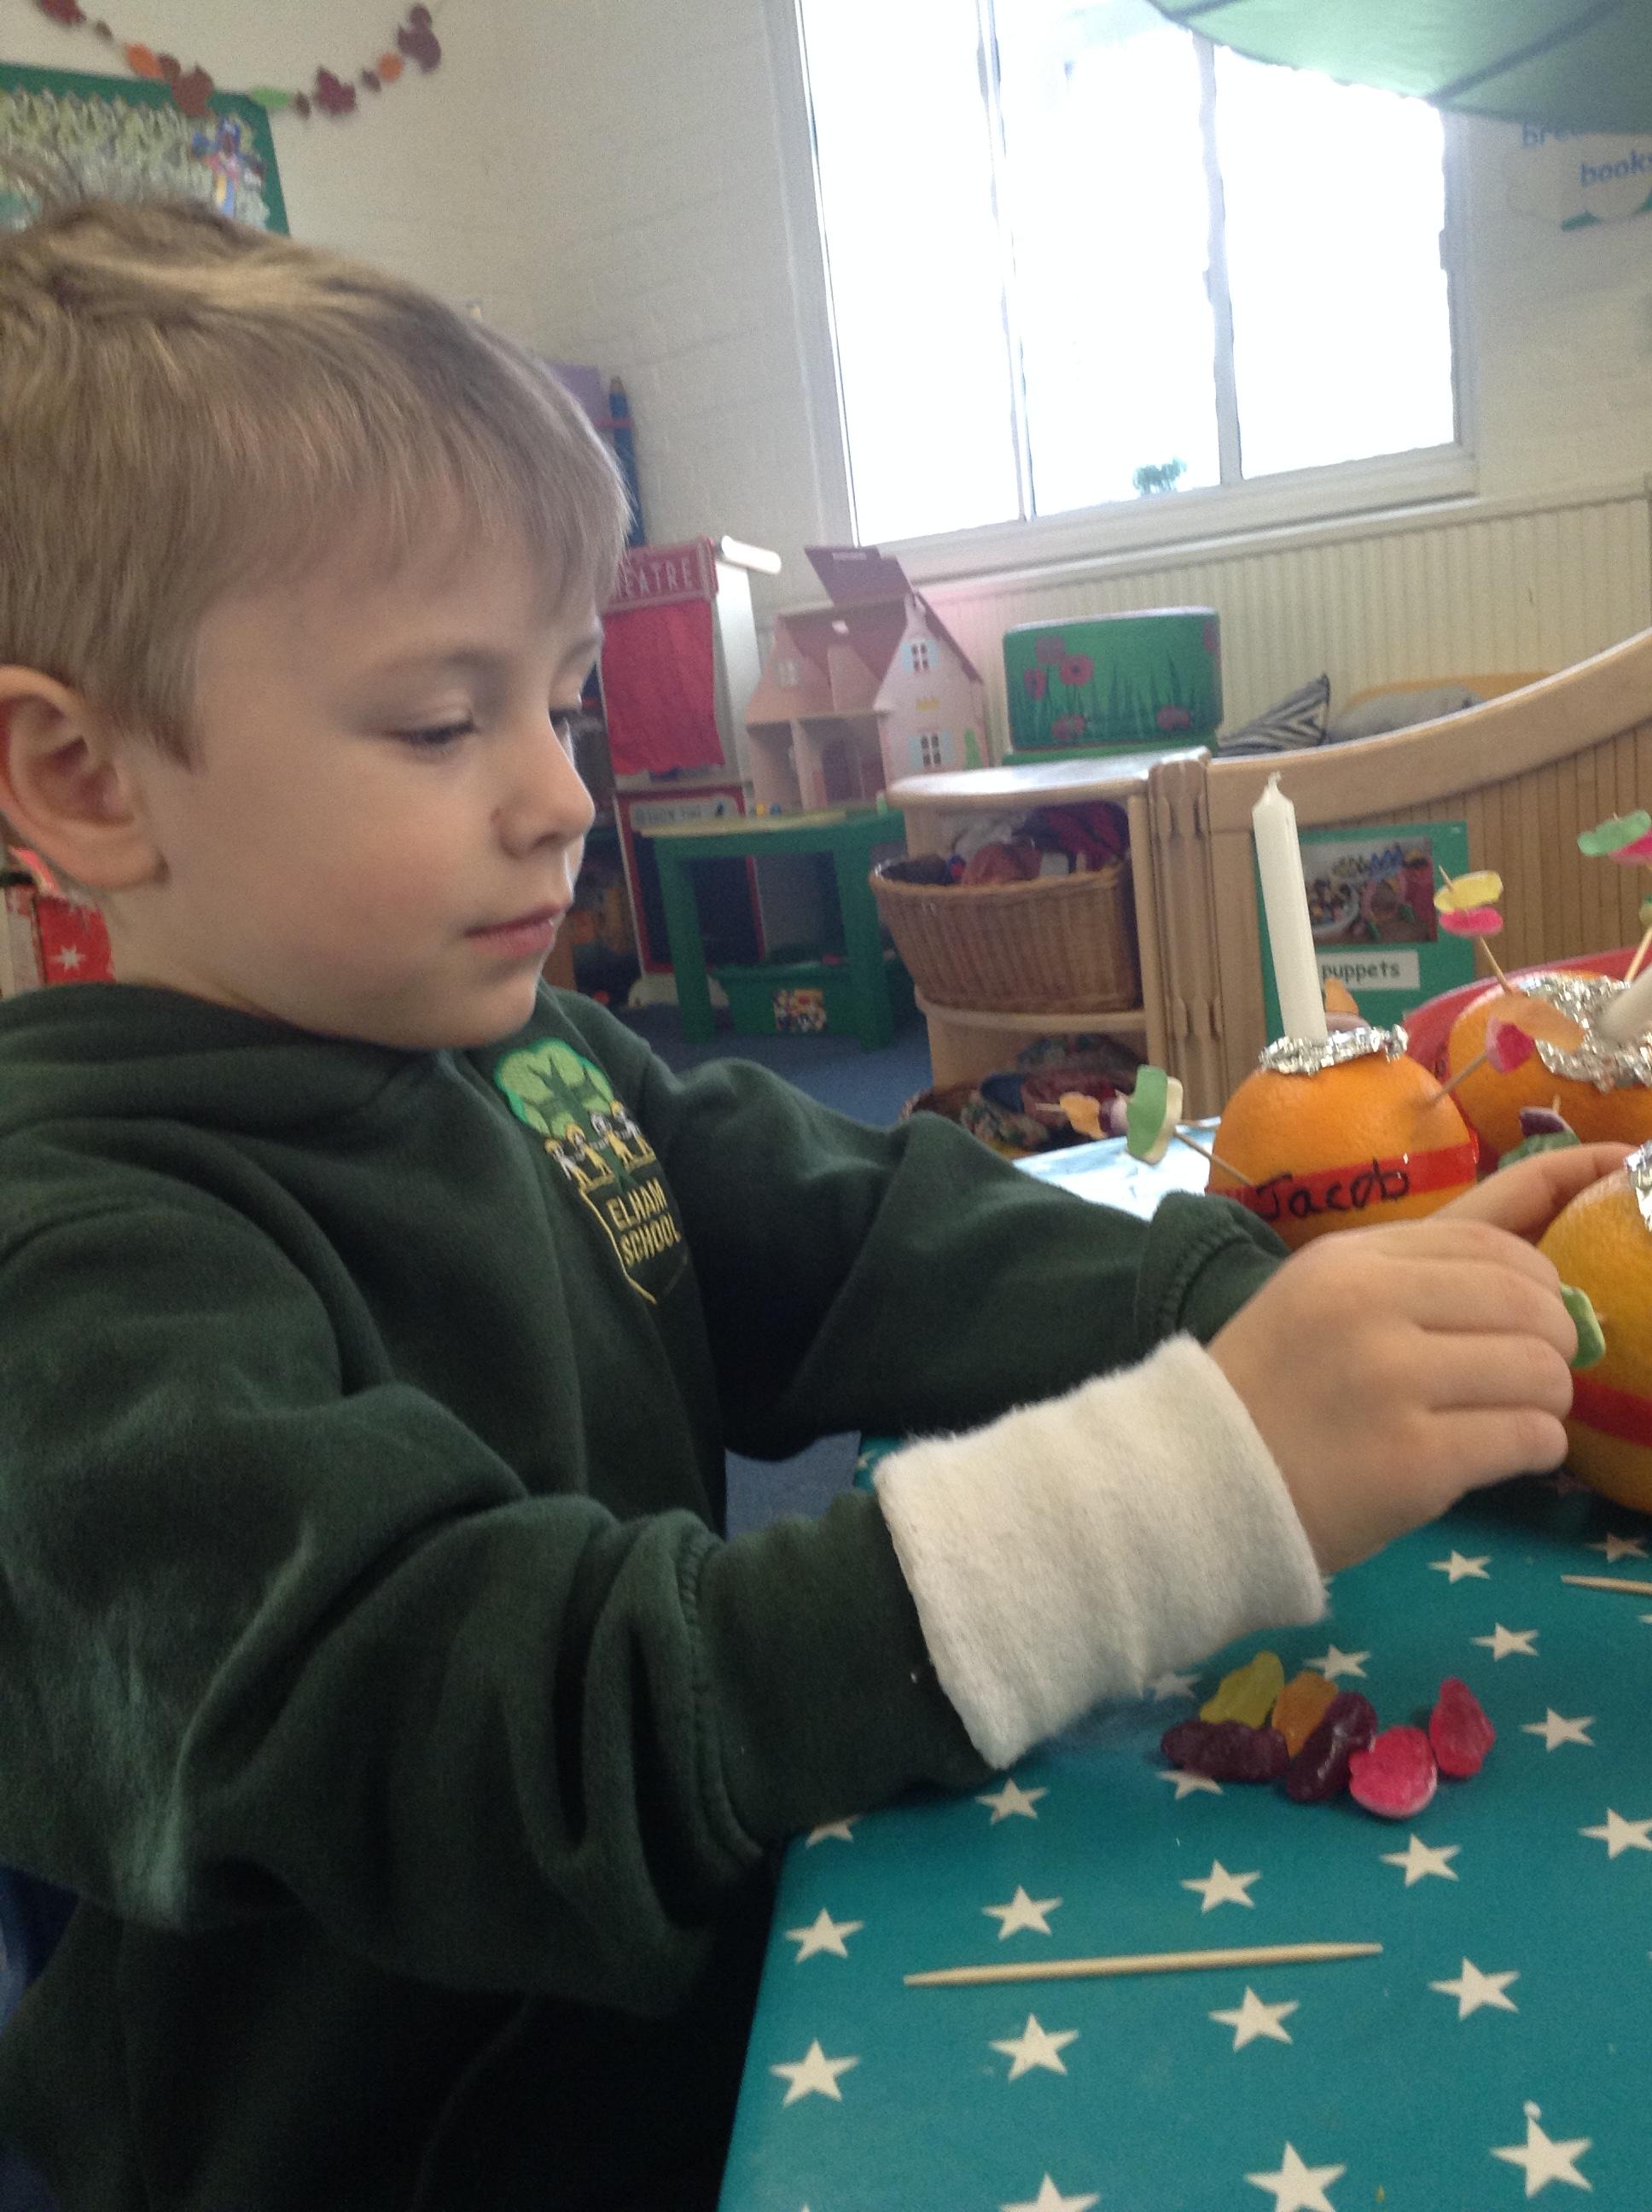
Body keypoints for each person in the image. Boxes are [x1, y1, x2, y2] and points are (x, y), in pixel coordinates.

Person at [0, 196, 1618, 2212]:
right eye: (438, 722)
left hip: (692, 2016)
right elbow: (522, 1735)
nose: (560, 797)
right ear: (82, 780)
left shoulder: (520, 1051)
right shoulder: (73, 1274)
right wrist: (1193, 1486)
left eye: (561, 704)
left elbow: (856, 1233)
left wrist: (1253, 1309)